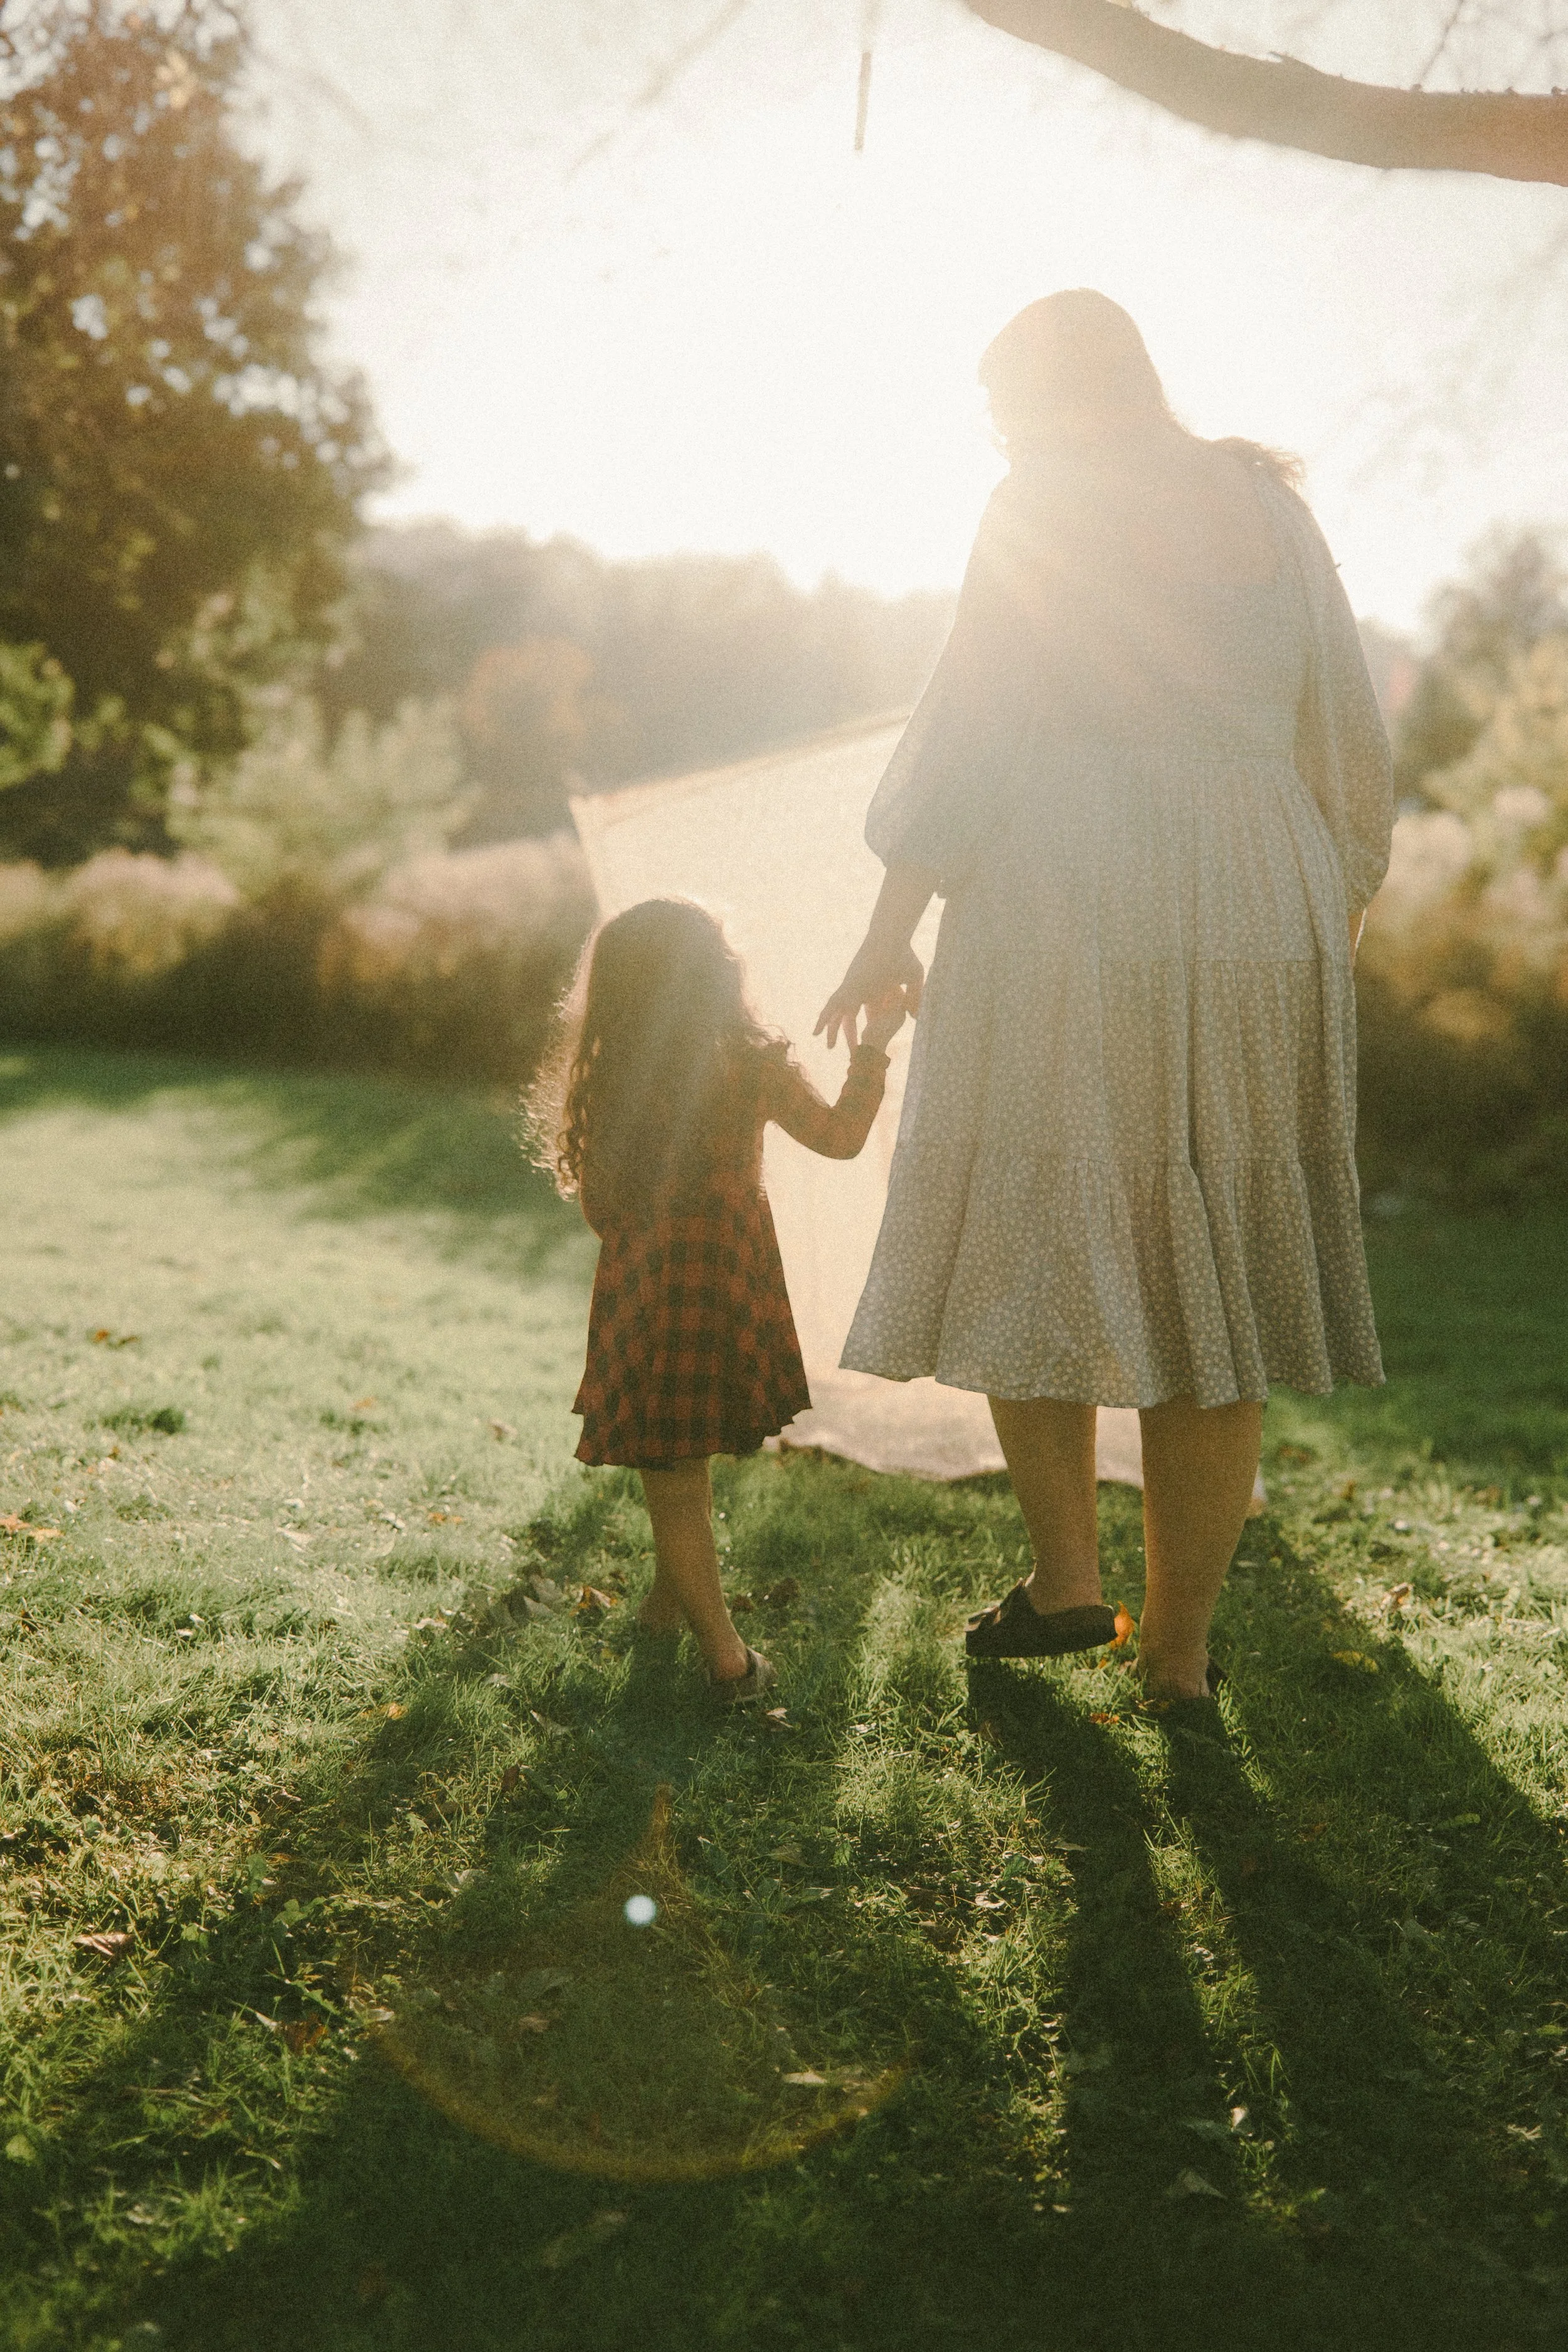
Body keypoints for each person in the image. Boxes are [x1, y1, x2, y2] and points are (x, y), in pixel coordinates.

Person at [816, 290, 1394, 1708]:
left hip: (1066, 889)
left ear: (1051, 401)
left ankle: (1070, 1584)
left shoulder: (1040, 501)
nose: (1000, 435)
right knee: (1219, 1272)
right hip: (1263, 889)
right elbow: (1348, 723)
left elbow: (971, 726)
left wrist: (889, 926)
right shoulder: (1271, 504)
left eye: (1007, 408)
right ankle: (1179, 1654)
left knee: (1039, 1221)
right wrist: (1327, 902)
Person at [531, 898, 908, 1700]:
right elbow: (841, 1138)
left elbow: (601, 1209)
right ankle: (730, 1663)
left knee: (673, 1470)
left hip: (645, 1286)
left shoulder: (616, 1070)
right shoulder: (749, 1059)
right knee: (681, 1469)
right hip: (726, 1281)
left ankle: (669, 1612)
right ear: (715, 975)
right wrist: (873, 1046)